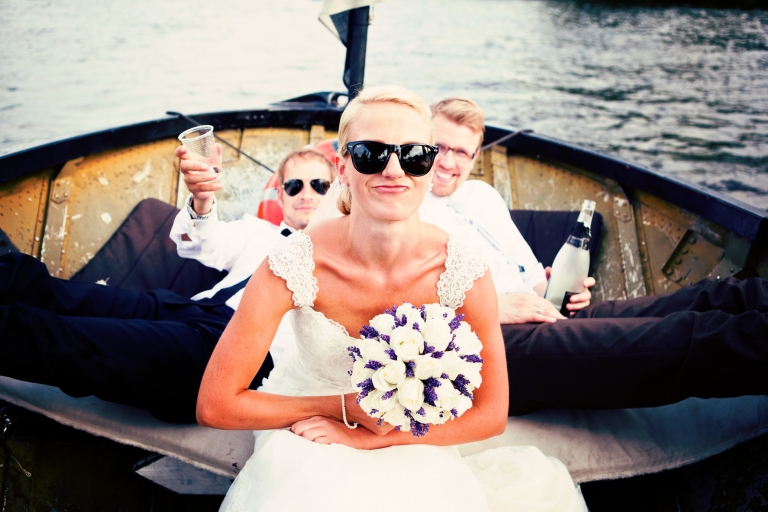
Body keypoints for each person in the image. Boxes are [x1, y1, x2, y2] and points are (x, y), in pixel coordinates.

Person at [197, 85, 588, 511]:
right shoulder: (294, 263)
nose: (394, 170)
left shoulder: (463, 270)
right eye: (371, 154)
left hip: (411, 434)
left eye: (414, 156)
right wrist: (343, 409)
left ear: (428, 166)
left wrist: (368, 438)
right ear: (343, 167)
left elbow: (491, 414)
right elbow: (216, 404)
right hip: (308, 428)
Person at [421, 96, 768, 415]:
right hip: (491, 340)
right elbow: (397, 303)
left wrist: (553, 287)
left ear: (476, 156)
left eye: (462, 152)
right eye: (439, 147)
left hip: (546, 311)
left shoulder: (482, 196)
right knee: (687, 336)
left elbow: (528, 273)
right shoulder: (406, 210)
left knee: (715, 296)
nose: (448, 162)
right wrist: (495, 306)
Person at [0, 148, 333, 423]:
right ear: (280, 194)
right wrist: (202, 199)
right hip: (188, 308)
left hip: (242, 352)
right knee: (61, 294)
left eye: (319, 185)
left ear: (335, 192)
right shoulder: (255, 231)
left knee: (70, 338)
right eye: (294, 186)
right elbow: (201, 242)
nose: (307, 194)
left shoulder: (345, 259)